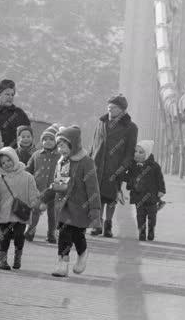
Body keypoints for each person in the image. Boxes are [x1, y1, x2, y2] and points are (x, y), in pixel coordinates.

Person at [52, 125, 101, 277]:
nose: (61, 149)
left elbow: (93, 188)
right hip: (63, 208)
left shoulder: (86, 162)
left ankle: (83, 252)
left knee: (78, 236)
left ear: (74, 144)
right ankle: (62, 264)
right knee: (64, 235)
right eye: (59, 145)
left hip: (81, 208)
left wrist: (95, 210)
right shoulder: (61, 161)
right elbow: (57, 183)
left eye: (64, 145)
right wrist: (44, 198)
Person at [89, 94, 137, 238]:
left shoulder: (130, 127)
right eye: (108, 107)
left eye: (113, 107)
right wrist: (90, 160)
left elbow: (130, 151)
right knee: (96, 197)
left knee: (111, 197)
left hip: (115, 167)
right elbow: (93, 144)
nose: (109, 109)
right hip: (97, 165)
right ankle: (96, 225)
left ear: (122, 109)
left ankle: (108, 226)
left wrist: (123, 166)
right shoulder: (101, 122)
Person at [0, 147, 40, 270]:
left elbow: (33, 193)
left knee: (19, 236)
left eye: (8, 160)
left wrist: (36, 203)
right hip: (3, 214)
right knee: (4, 237)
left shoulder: (28, 177)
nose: (6, 164)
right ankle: (2, 261)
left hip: (20, 214)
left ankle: (17, 257)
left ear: (14, 158)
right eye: (3, 163)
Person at [24, 124, 61, 243]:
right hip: (38, 189)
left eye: (51, 139)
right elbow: (29, 169)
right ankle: (30, 231)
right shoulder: (36, 155)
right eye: (45, 139)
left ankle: (51, 234)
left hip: (53, 190)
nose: (48, 142)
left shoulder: (60, 156)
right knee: (35, 210)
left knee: (53, 214)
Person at [125, 140, 165, 241]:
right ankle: (142, 232)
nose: (137, 154)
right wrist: (124, 178)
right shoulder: (133, 166)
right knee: (140, 215)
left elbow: (160, 179)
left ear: (147, 154)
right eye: (136, 151)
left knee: (152, 215)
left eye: (141, 152)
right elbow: (129, 177)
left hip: (152, 196)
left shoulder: (154, 166)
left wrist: (161, 190)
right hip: (138, 196)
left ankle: (151, 230)